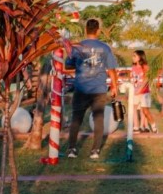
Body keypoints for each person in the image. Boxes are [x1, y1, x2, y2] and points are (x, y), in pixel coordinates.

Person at [64, 18, 119, 160]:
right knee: (98, 120)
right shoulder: (105, 47)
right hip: (99, 89)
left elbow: (68, 65)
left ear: (85, 30)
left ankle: (71, 149)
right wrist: (114, 87)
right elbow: (112, 70)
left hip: (81, 88)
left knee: (76, 119)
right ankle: (95, 151)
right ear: (98, 30)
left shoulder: (77, 47)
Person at [131, 50, 157, 134]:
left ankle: (143, 126)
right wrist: (131, 90)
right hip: (135, 92)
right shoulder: (133, 67)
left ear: (140, 57)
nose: (133, 57)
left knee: (143, 109)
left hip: (144, 92)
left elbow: (146, 79)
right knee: (133, 108)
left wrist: (140, 89)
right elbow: (132, 79)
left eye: (135, 56)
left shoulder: (145, 67)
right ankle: (136, 126)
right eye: (133, 56)